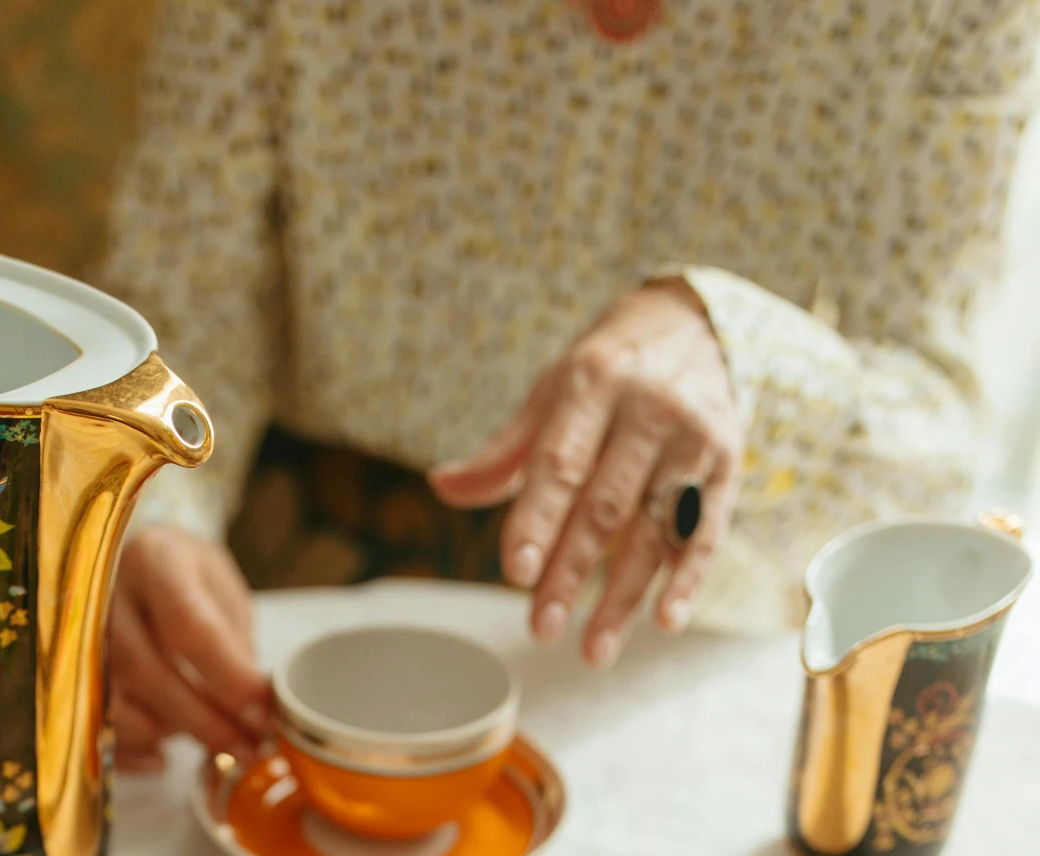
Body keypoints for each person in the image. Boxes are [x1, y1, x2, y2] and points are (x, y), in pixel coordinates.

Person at [100, 0, 1038, 773]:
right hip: (299, 574)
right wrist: (143, 510)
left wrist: (738, 353)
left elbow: (937, 446)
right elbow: (179, 298)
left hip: (676, 618)